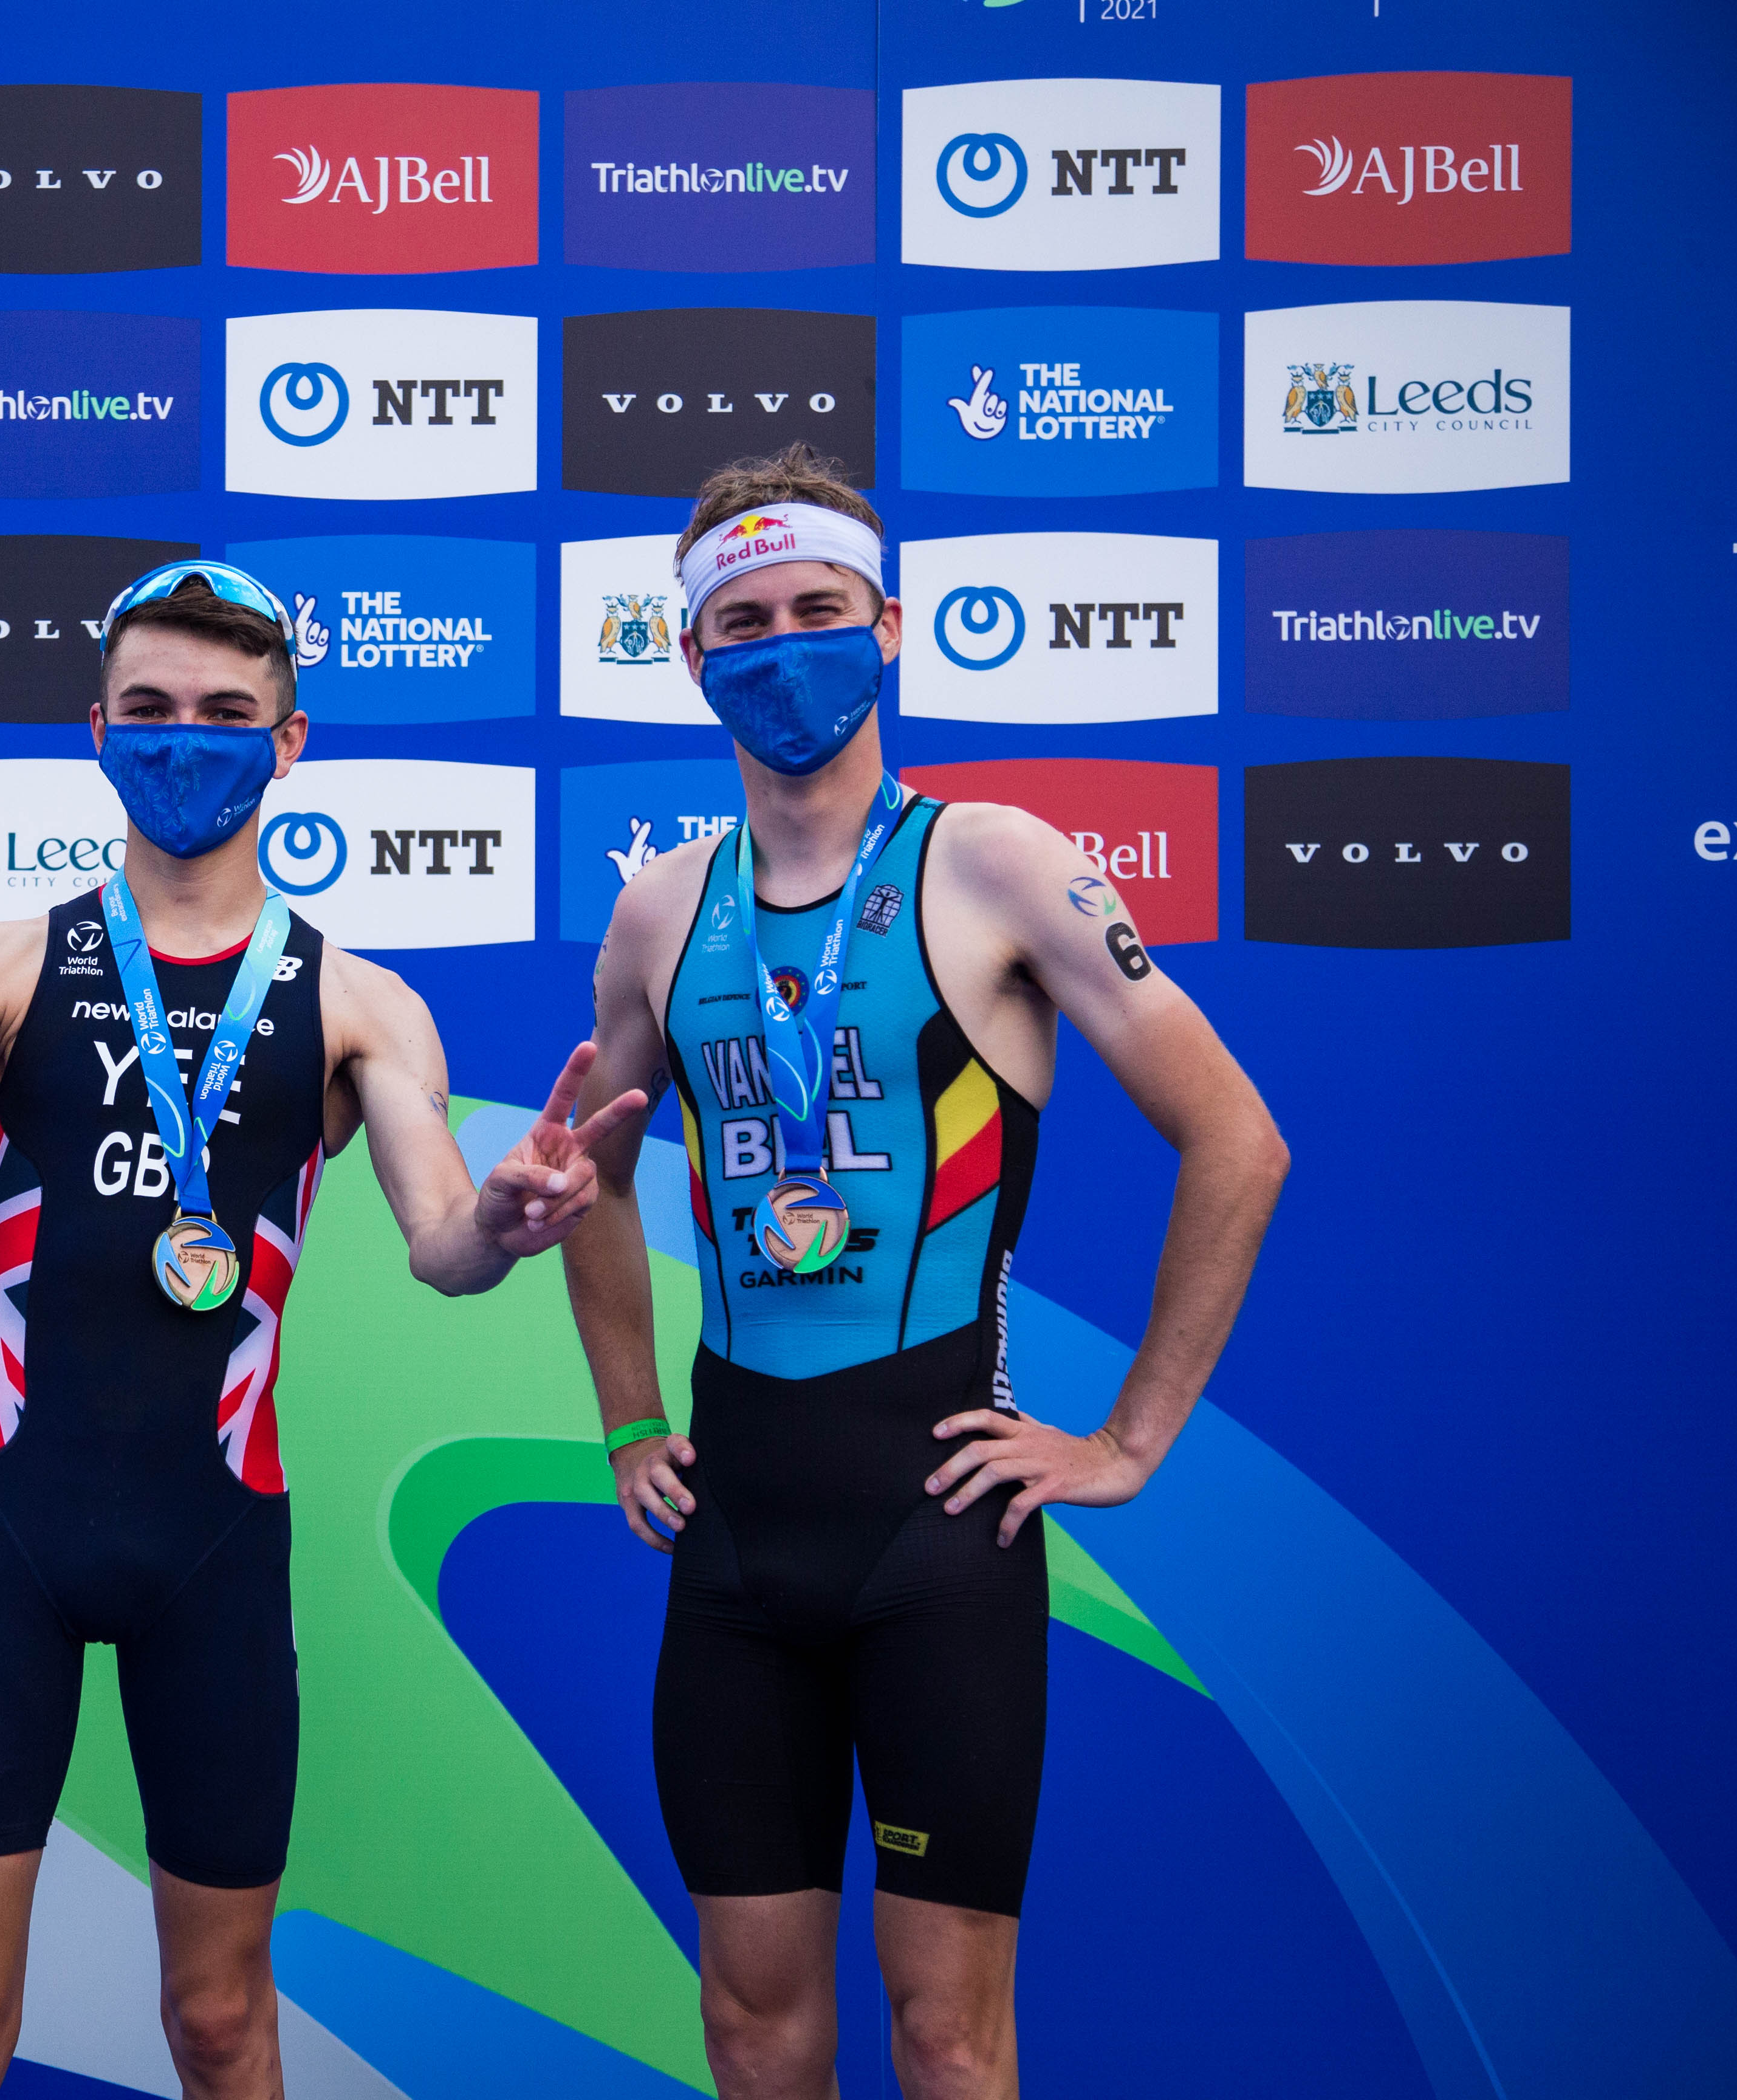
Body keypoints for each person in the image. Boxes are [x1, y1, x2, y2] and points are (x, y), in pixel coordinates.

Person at [0, 562, 646, 2100]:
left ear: (291, 741)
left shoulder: (358, 1004)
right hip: (8, 1532)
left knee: (219, 2025)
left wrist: (516, 1220)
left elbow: (443, 1245)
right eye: (150, 713)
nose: (184, 743)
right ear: (97, 730)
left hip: (216, 1548)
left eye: (223, 714)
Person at [559, 448, 1287, 2100]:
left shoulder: (1002, 863)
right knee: (751, 2030)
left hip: (936, 1535)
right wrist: (623, 1417)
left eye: (821, 609)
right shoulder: (659, 912)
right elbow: (589, 1178)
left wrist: (1125, 1443)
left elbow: (1239, 1141)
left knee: (949, 2038)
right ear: (691, 656)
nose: (783, 646)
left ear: (889, 628)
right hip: (736, 1549)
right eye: (741, 620)